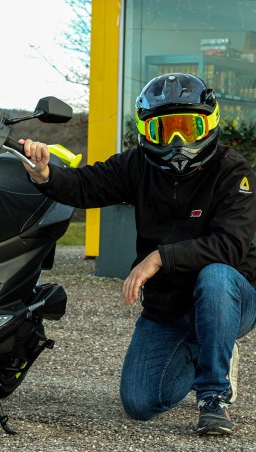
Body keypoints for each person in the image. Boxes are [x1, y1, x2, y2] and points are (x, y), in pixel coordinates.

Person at [19, 73, 256, 435]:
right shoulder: (138, 164)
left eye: (188, 128)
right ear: (147, 131)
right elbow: (86, 185)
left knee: (216, 275)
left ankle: (214, 395)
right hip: (169, 305)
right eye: (164, 130)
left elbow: (231, 246)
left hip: (230, 299)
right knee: (140, 402)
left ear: (210, 124)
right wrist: (45, 174)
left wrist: (159, 257)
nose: (177, 141)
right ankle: (214, 348)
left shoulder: (232, 170)